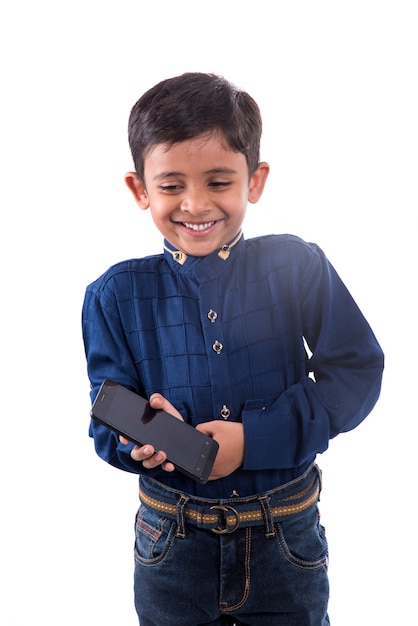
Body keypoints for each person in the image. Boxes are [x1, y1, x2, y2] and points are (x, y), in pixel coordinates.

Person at [82, 72, 384, 626]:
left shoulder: (297, 266)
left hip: (284, 537)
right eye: (171, 185)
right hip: (170, 543)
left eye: (218, 182)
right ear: (139, 189)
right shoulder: (113, 294)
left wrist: (253, 439)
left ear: (255, 179)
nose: (195, 204)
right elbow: (106, 418)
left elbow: (355, 371)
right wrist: (137, 443)